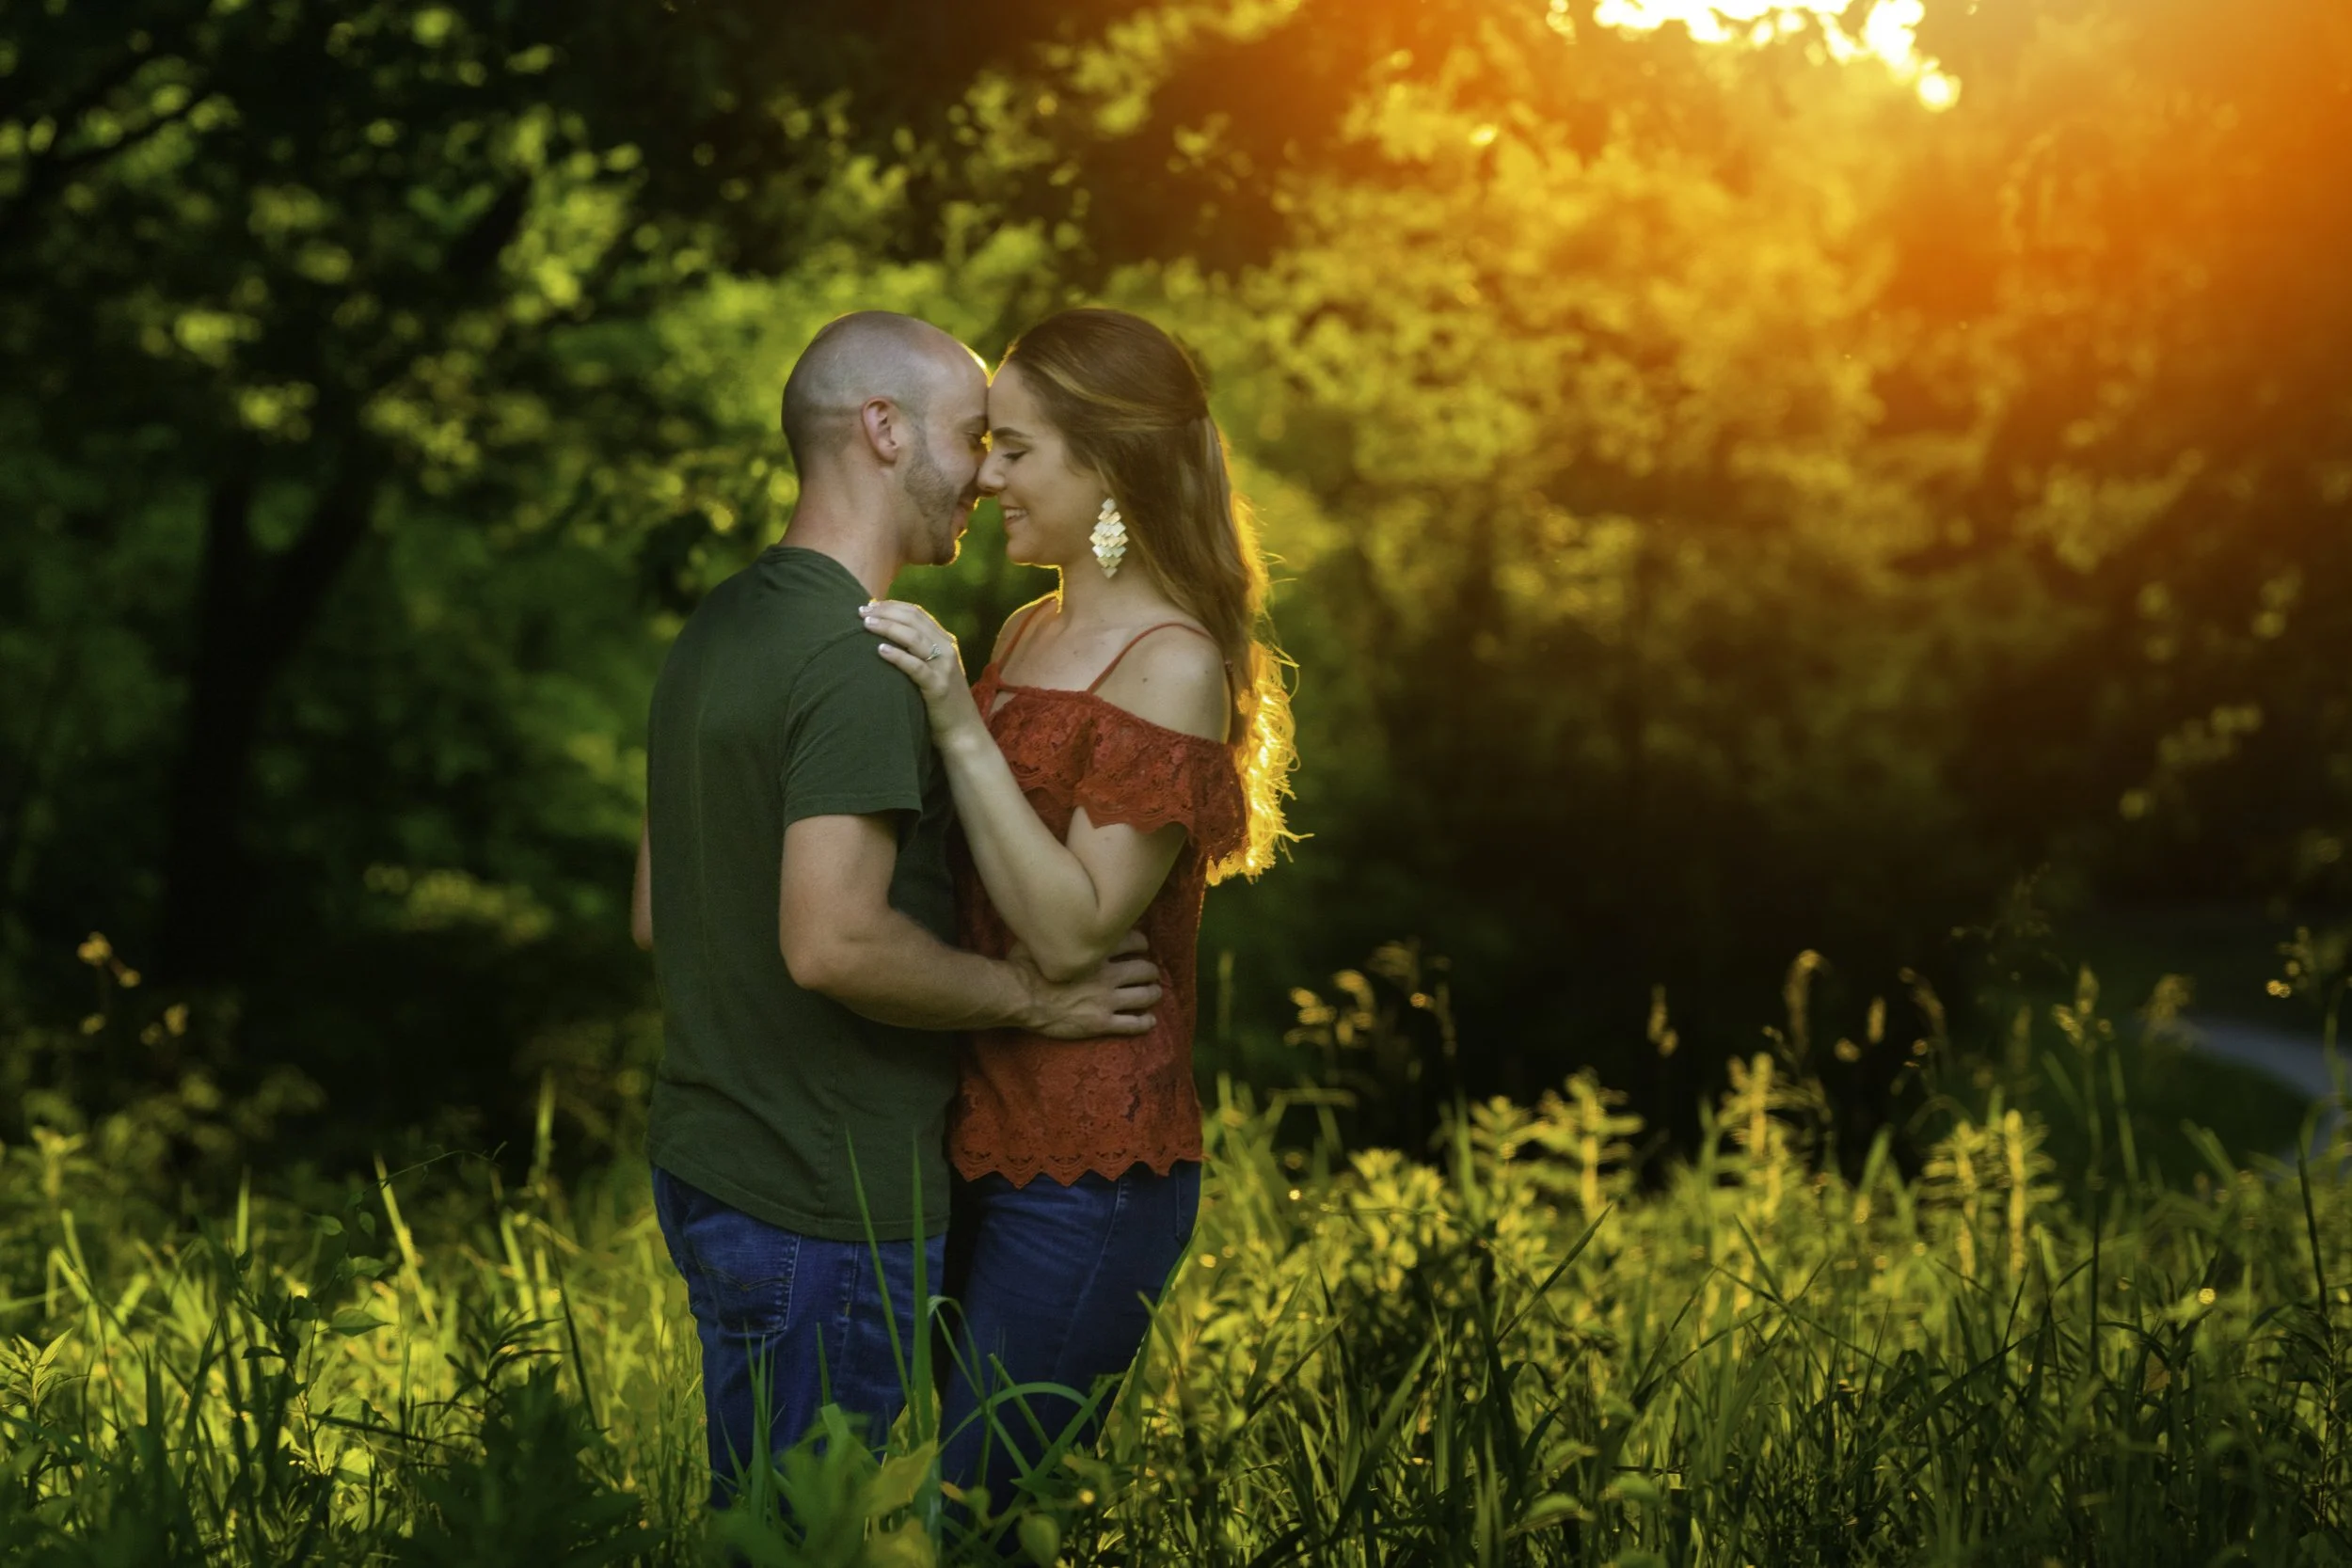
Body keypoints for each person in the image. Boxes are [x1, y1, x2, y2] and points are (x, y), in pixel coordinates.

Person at [628, 310, 1167, 1509]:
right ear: (882, 430)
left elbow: (660, 913)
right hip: (824, 1199)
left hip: (709, 1166)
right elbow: (834, 940)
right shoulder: (859, 657)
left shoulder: (718, 626)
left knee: (760, 1525)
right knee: (815, 1539)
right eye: (972, 436)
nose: (985, 471)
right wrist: (1032, 996)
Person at [858, 307, 1296, 1520]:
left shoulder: (1173, 659)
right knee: (917, 1509)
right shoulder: (1029, 627)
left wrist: (953, 709)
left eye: (1016, 448)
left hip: (1090, 1164)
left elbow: (1069, 932)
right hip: (966, 1124)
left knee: (980, 1521)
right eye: (987, 444)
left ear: (1109, 464)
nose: (983, 474)